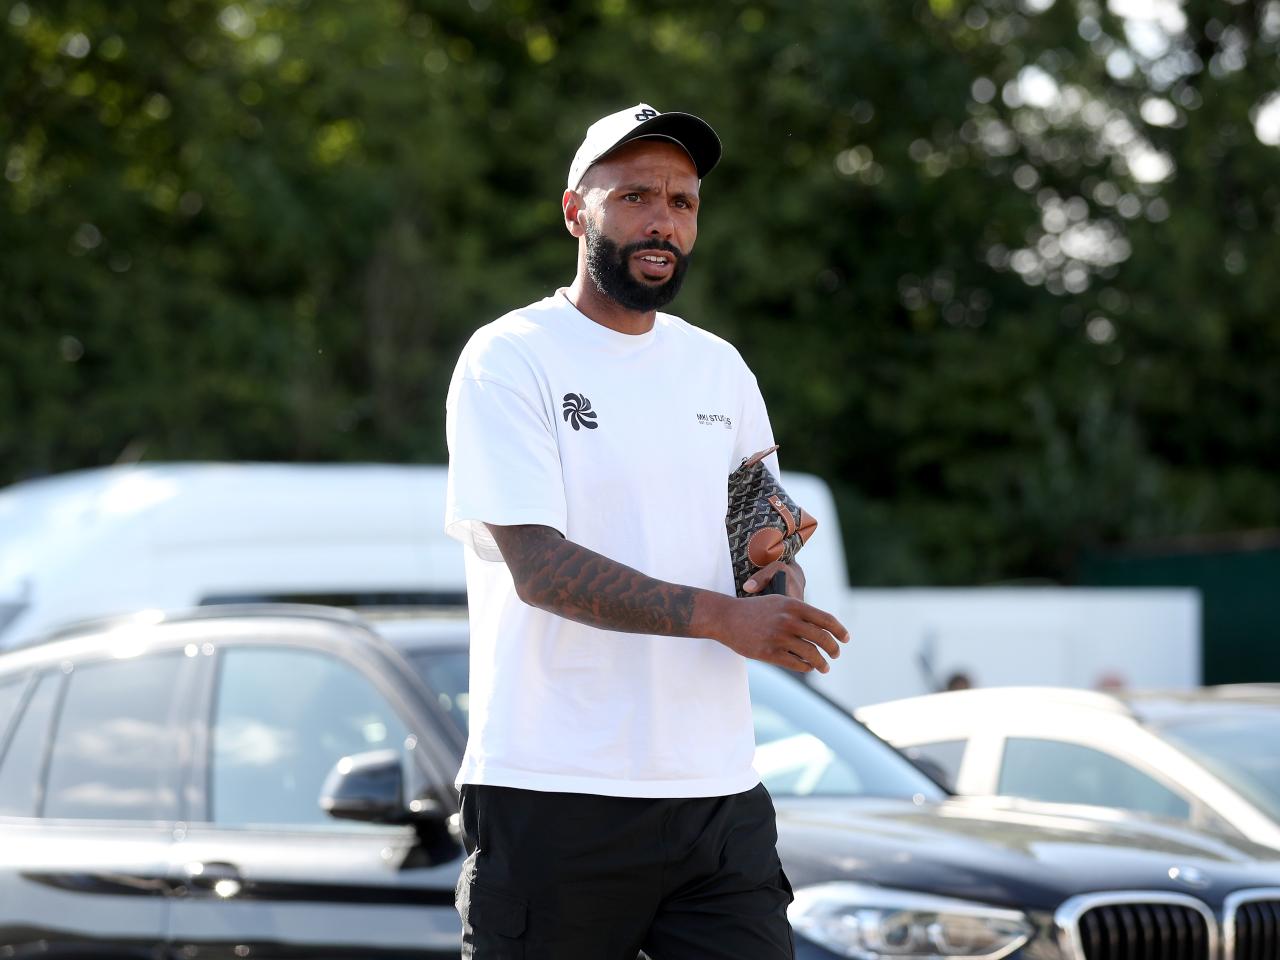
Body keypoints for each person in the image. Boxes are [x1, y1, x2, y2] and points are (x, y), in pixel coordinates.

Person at [444, 103, 850, 960]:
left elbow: (760, 538)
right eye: (634, 197)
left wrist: (780, 594)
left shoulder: (720, 366)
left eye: (683, 201)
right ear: (574, 211)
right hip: (553, 793)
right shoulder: (509, 356)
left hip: (716, 795)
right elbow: (541, 571)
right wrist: (723, 618)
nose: (662, 220)